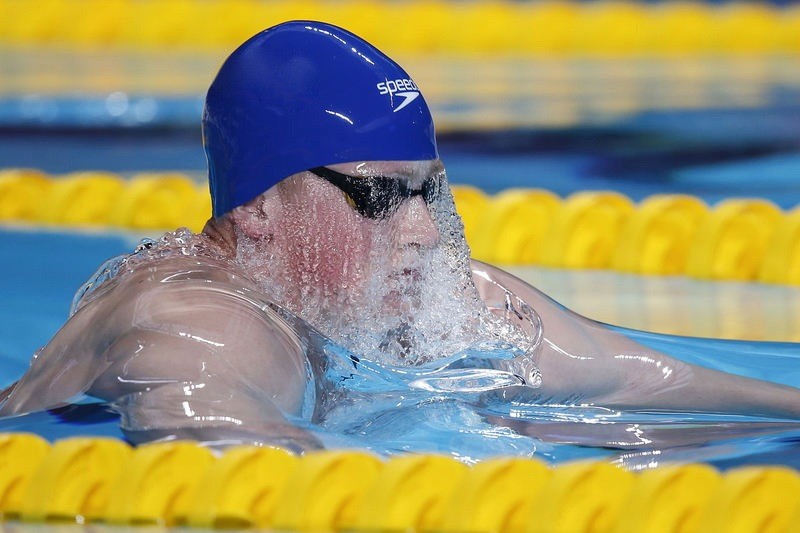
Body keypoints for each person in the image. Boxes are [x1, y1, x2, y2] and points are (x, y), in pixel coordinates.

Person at [1, 21, 799, 455]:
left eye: (428, 192)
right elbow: (228, 470)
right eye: (378, 195)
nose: (421, 233)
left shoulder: (396, 302)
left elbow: (635, 383)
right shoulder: (200, 324)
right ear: (258, 211)